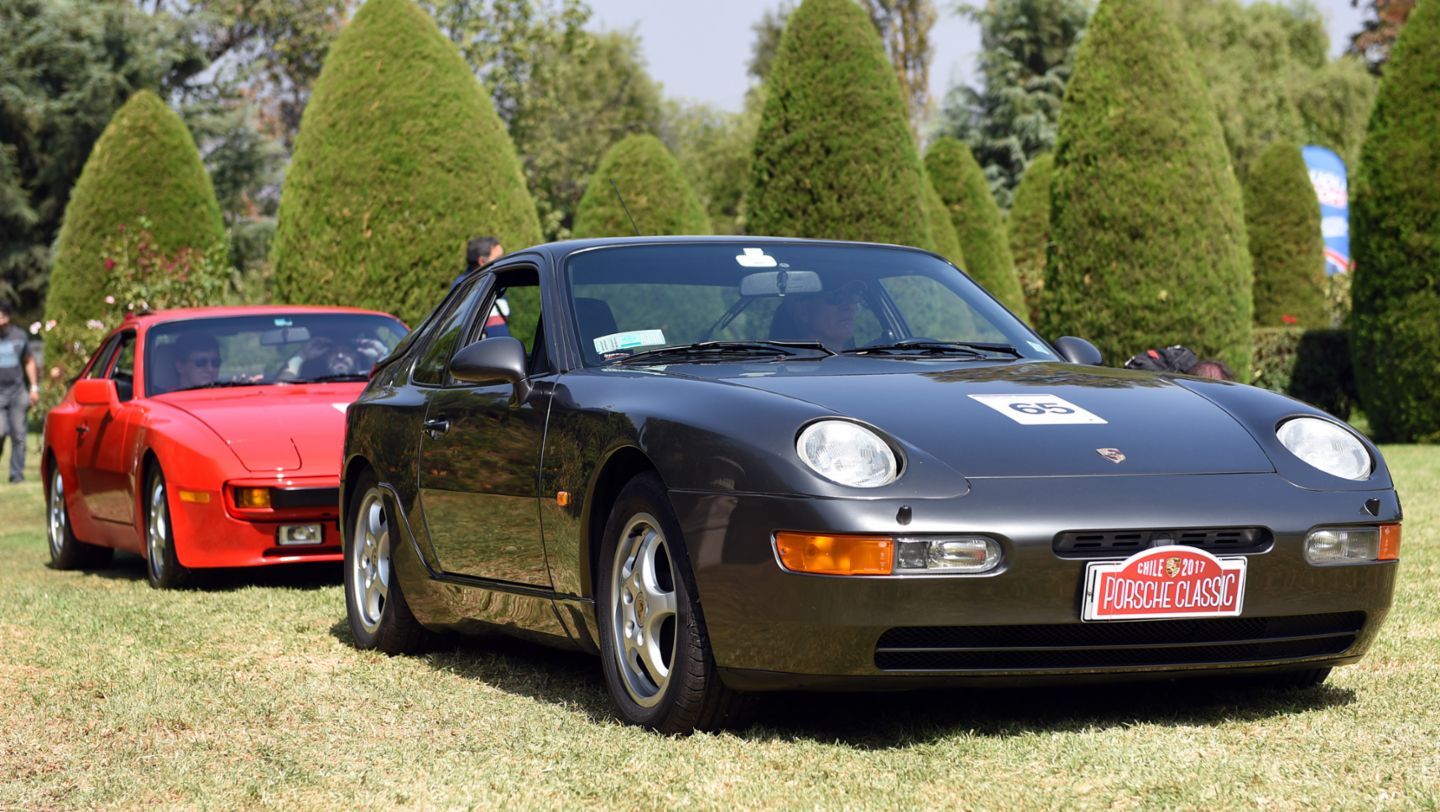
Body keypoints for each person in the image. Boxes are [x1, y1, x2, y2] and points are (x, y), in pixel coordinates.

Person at [0, 303, 40, 483]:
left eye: (3, 315)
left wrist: (34, 387)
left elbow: (29, 361)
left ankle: (16, 474)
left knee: (19, 435)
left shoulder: (19, 336)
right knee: (0, 431)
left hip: (17, 392)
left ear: (8, 316)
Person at [769, 281, 863, 350]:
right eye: (836, 297)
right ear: (804, 310)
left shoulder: (871, 361)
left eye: (853, 296)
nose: (850, 307)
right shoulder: (786, 373)